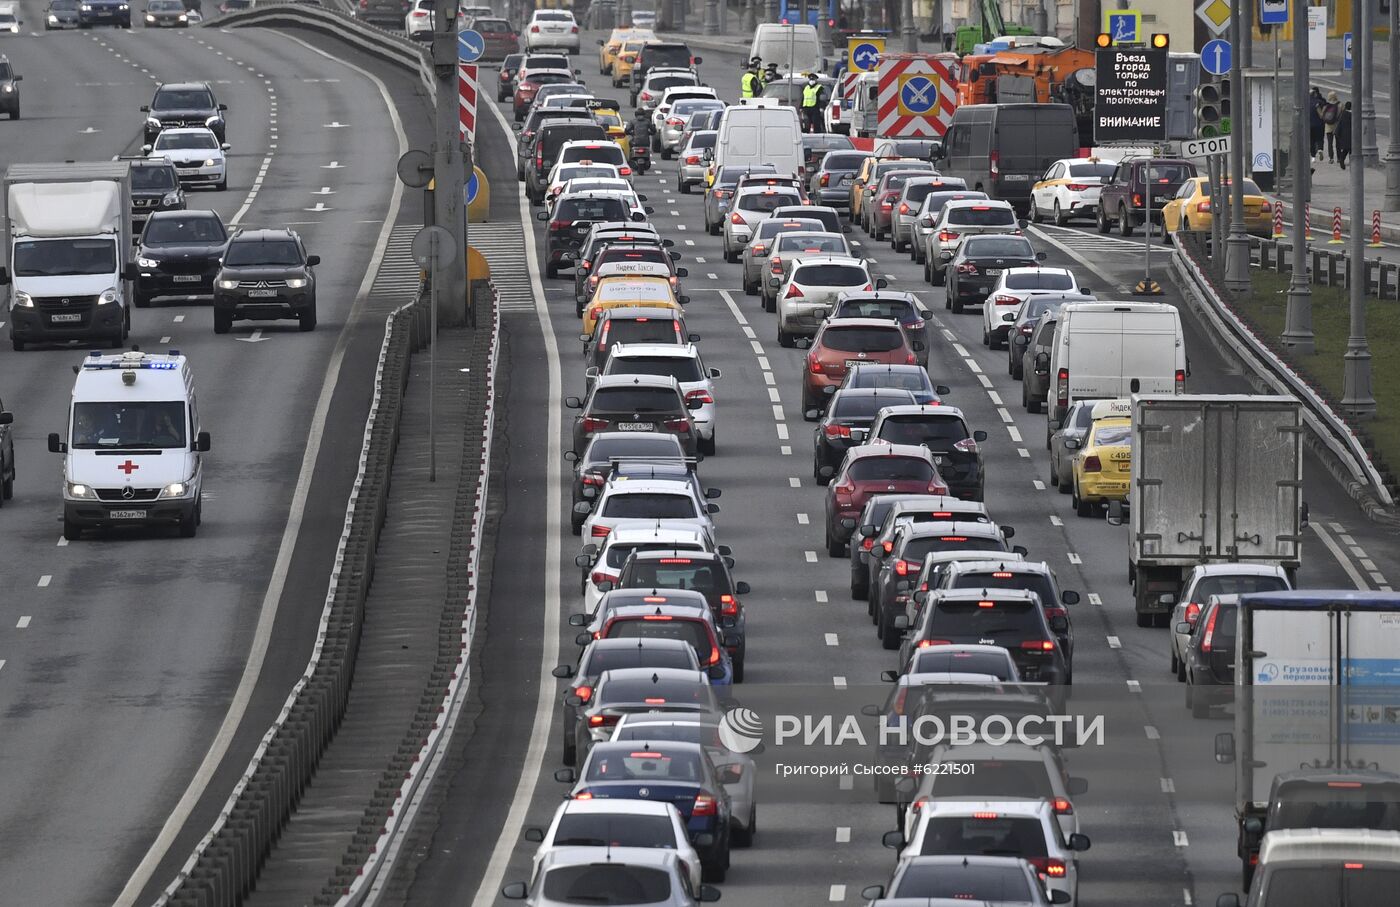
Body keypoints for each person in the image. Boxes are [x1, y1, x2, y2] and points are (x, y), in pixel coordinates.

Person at [1322, 90, 1341, 162]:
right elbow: (1343, 115)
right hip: (1337, 126)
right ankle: (1339, 158)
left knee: (1330, 143)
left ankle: (1331, 158)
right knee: (1338, 143)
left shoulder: (1326, 106)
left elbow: (1322, 115)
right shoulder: (1340, 105)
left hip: (1328, 127)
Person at [1308, 86, 1325, 160]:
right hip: (1319, 124)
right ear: (1315, 94)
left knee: (1311, 140)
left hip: (1309, 125)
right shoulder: (1319, 102)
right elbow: (1321, 115)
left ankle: (1313, 157)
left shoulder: (1306, 102)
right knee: (1319, 138)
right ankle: (1320, 149)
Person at [1336, 101, 1353, 170]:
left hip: (1344, 135)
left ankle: (1341, 160)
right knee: (1352, 150)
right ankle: (1352, 163)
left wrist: (1338, 134)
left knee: (1345, 149)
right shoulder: (1352, 115)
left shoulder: (1343, 113)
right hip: (1351, 135)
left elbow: (1339, 123)